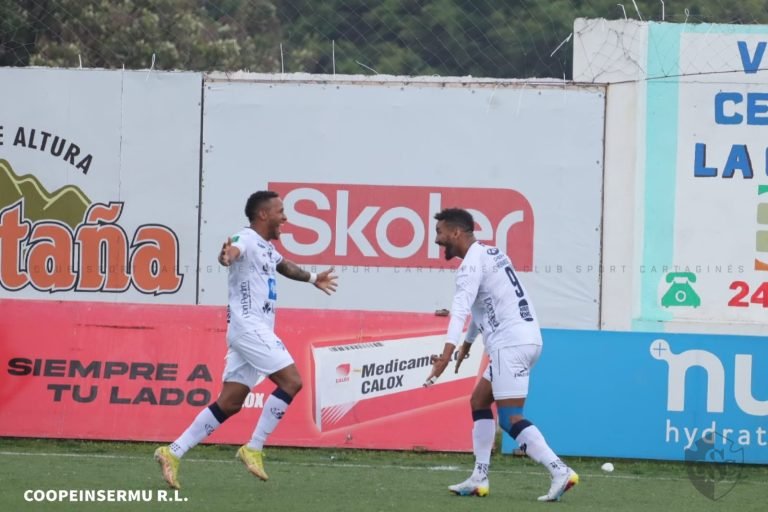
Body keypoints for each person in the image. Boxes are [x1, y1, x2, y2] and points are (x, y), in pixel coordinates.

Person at [155, 190, 337, 489]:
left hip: (252, 331)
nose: (285, 217)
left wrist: (314, 278)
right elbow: (231, 252)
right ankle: (254, 447)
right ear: (263, 215)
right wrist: (225, 256)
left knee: (230, 402)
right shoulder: (246, 239)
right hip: (249, 327)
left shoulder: (265, 247)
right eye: (281, 211)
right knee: (292, 381)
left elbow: (284, 265)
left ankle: (172, 452)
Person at [425, 207, 578, 502]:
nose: (437, 240)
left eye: (440, 233)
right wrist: (468, 344)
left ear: (456, 232)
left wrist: (445, 354)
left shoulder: (469, 266)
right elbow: (480, 306)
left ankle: (559, 470)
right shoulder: (490, 252)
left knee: (510, 419)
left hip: (512, 344)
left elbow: (459, 310)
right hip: (523, 339)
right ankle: (479, 477)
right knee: (479, 400)